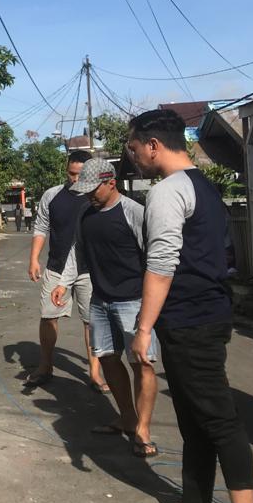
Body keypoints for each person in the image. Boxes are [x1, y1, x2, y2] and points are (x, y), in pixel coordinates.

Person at [127, 110, 253, 503]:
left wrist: (143, 329)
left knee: (219, 419)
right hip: (201, 315)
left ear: (152, 145)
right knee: (192, 417)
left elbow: (162, 262)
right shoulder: (203, 184)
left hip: (191, 320)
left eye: (132, 148)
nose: (132, 157)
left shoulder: (168, 191)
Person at [52, 159, 159, 457]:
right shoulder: (86, 213)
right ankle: (127, 417)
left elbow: (155, 259)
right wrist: (64, 282)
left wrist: (151, 310)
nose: (89, 196)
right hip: (100, 300)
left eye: (93, 190)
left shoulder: (135, 213)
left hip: (134, 302)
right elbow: (77, 250)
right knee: (108, 359)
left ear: (111, 182)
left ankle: (143, 429)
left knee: (143, 364)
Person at [25, 149, 105, 391]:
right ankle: (45, 366)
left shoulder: (96, 196)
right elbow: (41, 228)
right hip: (57, 267)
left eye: (80, 175)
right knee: (48, 317)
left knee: (91, 322)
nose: (75, 179)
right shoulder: (52, 196)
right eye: (71, 173)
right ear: (66, 170)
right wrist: (34, 259)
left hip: (89, 270)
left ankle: (94, 372)